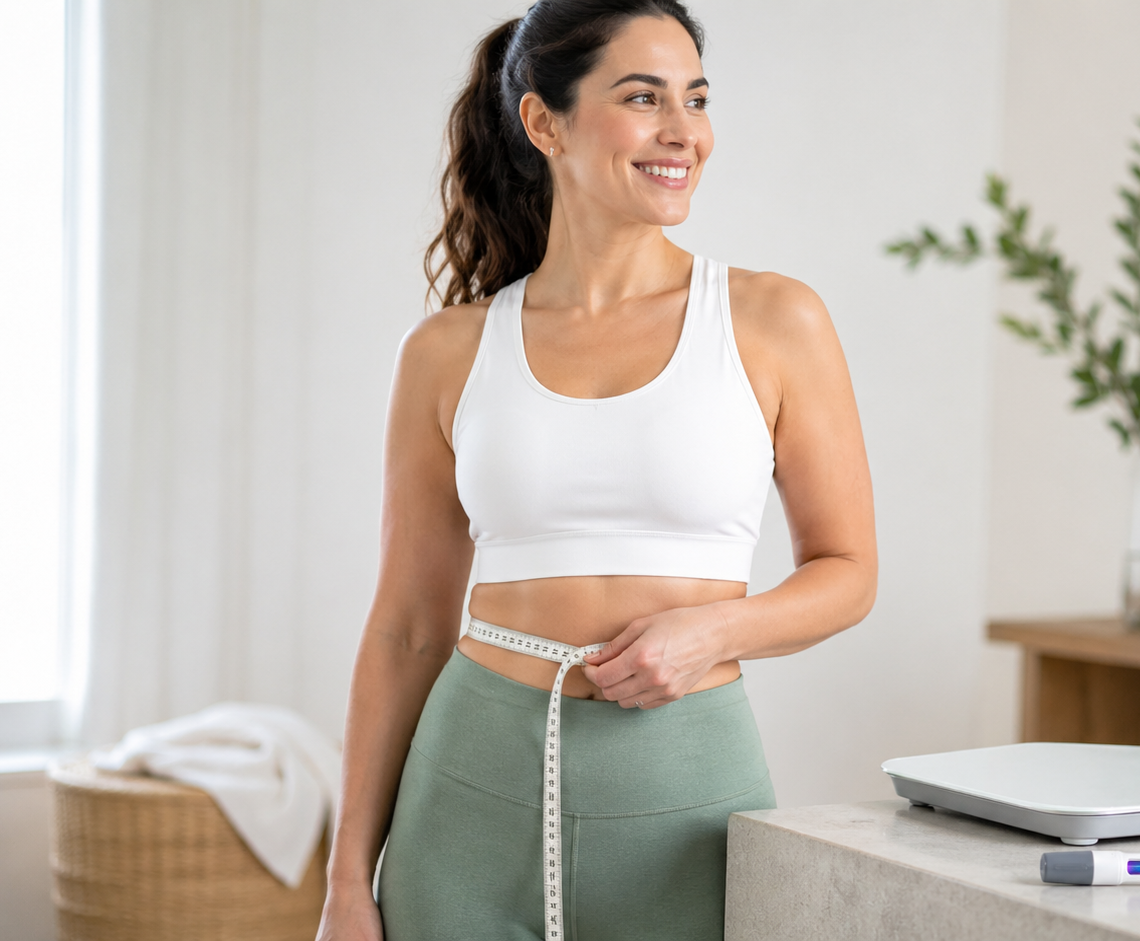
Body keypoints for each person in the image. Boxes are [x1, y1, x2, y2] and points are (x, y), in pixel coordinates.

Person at [313, 2, 877, 939]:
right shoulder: (448, 351)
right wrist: (343, 882)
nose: (681, 132)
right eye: (642, 97)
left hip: (686, 792)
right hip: (467, 796)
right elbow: (409, 627)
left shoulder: (776, 320)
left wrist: (710, 632)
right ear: (544, 123)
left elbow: (848, 573)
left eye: (695, 99)